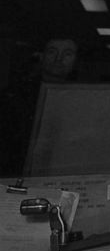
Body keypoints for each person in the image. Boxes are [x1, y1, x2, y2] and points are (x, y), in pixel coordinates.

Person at [0, 37, 78, 174]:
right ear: (41, 56)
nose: (58, 59)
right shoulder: (14, 96)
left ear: (75, 60)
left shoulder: (82, 99)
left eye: (67, 54)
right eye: (52, 52)